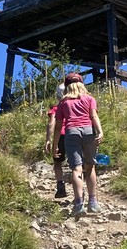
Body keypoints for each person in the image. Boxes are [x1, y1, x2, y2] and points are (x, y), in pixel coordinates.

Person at [53, 72, 103, 216]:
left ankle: (78, 203)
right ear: (82, 84)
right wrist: (100, 131)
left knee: (76, 169)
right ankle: (92, 202)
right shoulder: (89, 99)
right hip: (88, 131)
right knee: (90, 166)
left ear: (67, 86)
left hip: (71, 132)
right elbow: (94, 116)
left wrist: (56, 145)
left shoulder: (63, 103)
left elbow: (58, 126)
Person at [44, 83, 68, 199]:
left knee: (57, 162)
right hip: (75, 133)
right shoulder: (75, 105)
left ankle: (60, 185)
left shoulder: (55, 108)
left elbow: (51, 123)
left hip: (61, 136)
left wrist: (48, 139)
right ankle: (80, 192)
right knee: (76, 164)